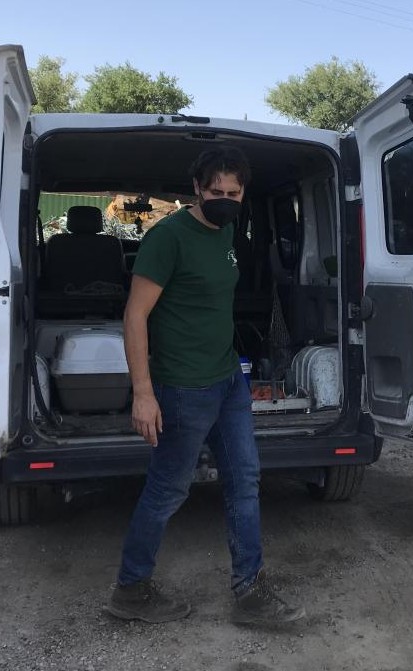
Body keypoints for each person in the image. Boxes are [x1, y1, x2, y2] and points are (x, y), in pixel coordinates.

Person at [107, 146, 306, 624]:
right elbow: (135, 316)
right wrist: (143, 393)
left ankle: (250, 590)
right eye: (216, 192)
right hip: (183, 388)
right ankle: (131, 589)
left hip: (227, 379)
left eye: (234, 194)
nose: (225, 200)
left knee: (245, 479)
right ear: (197, 188)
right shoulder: (168, 238)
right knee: (168, 489)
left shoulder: (229, 230)